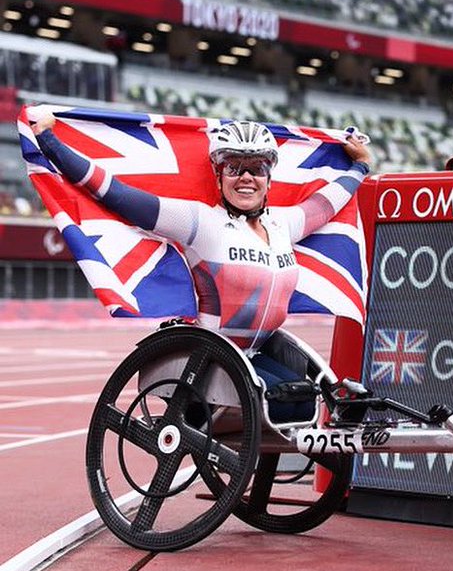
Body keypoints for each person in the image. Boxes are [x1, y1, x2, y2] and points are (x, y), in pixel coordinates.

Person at [31, 115, 372, 423]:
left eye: (257, 167)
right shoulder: (200, 222)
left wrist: (360, 167)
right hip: (215, 355)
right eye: (234, 167)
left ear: (270, 175)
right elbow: (118, 195)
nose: (246, 177)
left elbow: (328, 203)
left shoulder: (284, 224)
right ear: (219, 173)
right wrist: (49, 141)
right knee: (284, 403)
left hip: (260, 350)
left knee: (304, 402)